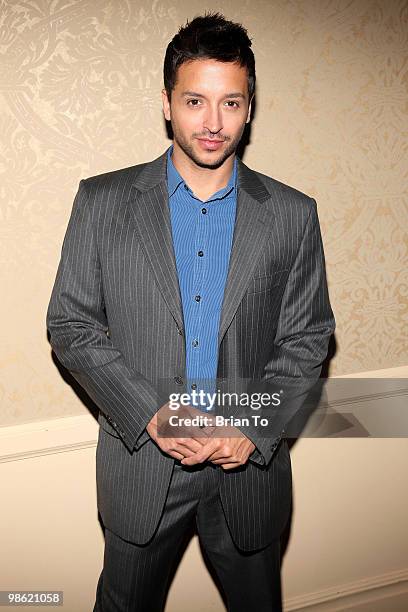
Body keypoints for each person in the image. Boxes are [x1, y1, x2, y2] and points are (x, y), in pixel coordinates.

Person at [46, 12, 335, 612]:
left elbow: (308, 338)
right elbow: (70, 324)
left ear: (250, 108)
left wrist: (250, 426)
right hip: (143, 467)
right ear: (167, 103)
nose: (212, 123)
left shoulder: (292, 214)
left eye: (231, 103)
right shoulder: (101, 202)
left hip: (248, 475)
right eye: (195, 101)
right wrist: (151, 415)